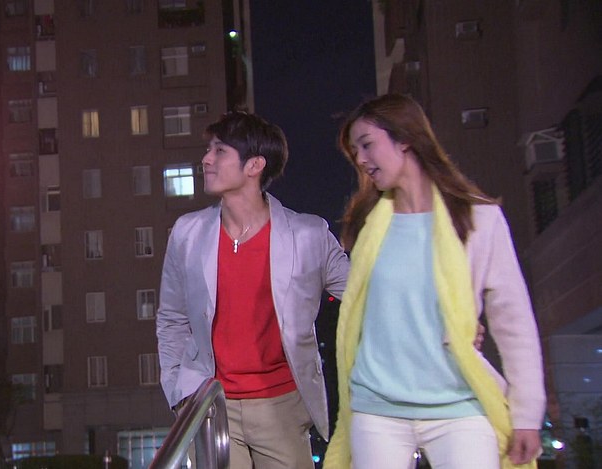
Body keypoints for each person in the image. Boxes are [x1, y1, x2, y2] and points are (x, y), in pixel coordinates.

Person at [324, 94, 546, 469]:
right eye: (355, 151)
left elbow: (514, 320)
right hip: (377, 407)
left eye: (367, 144)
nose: (360, 159)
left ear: (405, 138)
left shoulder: (479, 220)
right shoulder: (368, 225)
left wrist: (527, 415)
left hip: (458, 404)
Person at [156, 111, 351, 469]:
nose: (206, 159)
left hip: (283, 405)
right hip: (214, 405)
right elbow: (171, 318)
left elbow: (363, 295)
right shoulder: (187, 233)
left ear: (255, 165)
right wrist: (179, 393)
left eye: (220, 151)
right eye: (209, 150)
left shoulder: (308, 235)